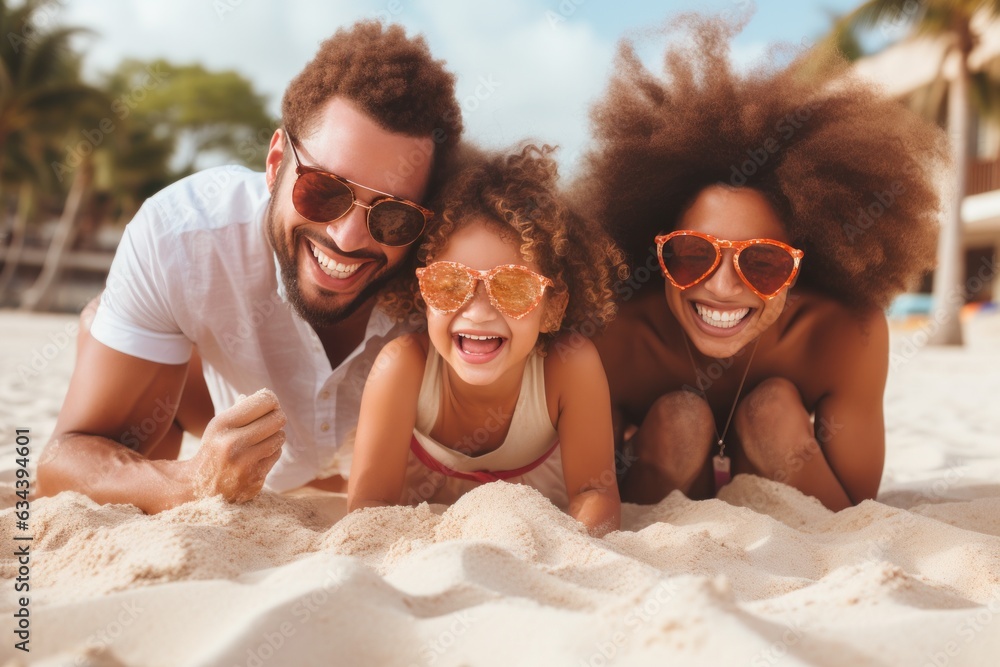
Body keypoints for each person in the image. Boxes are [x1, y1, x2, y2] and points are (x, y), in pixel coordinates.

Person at [36, 21, 463, 513]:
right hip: (224, 429)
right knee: (104, 324)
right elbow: (63, 457)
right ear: (276, 161)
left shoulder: (451, 270)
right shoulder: (182, 236)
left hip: (382, 476)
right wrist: (190, 482)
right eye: (324, 190)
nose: (347, 238)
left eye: (393, 215)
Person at [580, 16, 947, 510]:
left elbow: (857, 513)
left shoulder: (844, 335)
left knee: (773, 411)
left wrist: (780, 438)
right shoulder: (615, 334)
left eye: (764, 262)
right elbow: (588, 495)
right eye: (693, 254)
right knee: (678, 421)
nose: (724, 287)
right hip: (657, 494)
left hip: (783, 493)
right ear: (656, 251)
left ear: (803, 266)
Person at [346, 145, 622, 536]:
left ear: (553, 307)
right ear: (421, 292)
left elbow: (595, 493)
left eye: (512, 287)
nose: (478, 312)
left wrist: (576, 552)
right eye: (449, 283)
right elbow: (369, 508)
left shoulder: (570, 368)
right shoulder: (402, 367)